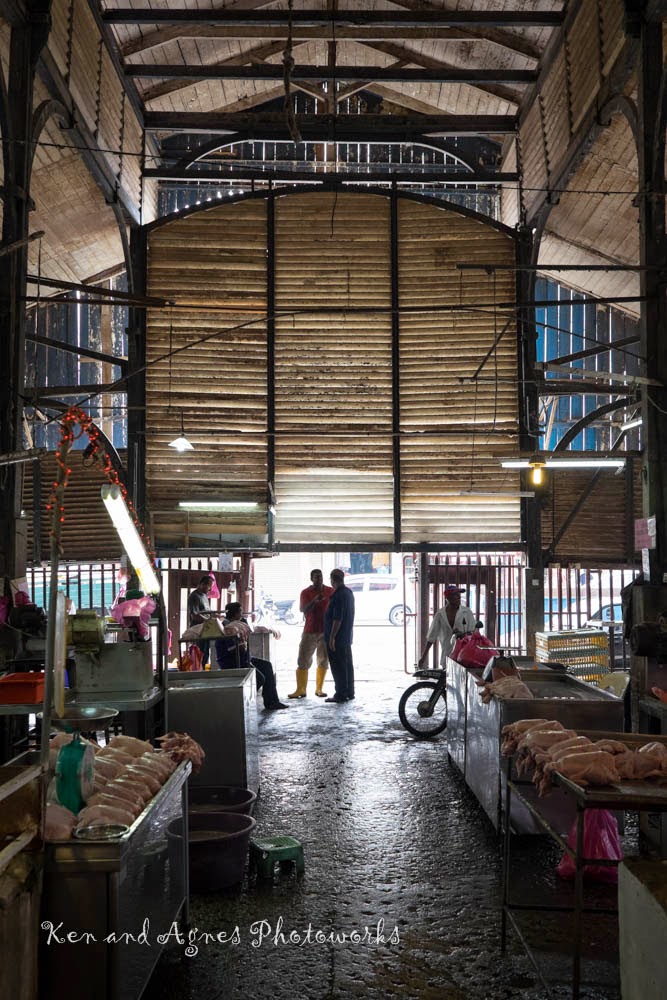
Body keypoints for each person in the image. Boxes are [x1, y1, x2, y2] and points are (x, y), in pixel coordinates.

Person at [214, 602, 288, 711]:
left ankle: (272, 702)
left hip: (244, 657)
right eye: (240, 612)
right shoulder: (228, 627)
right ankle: (243, 702)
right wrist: (243, 645)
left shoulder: (236, 624)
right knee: (260, 678)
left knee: (267, 665)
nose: (242, 614)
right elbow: (233, 649)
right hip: (232, 661)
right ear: (235, 614)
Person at [288, 569, 334, 699]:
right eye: (316, 577)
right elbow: (303, 609)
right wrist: (314, 600)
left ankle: (319, 689)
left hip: (325, 630)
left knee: (323, 659)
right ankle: (301, 689)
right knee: (303, 659)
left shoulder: (330, 591)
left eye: (320, 577)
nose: (319, 579)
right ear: (311, 579)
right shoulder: (306, 592)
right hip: (310, 630)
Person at [417, 585, 476, 669]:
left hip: (464, 656)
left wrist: (463, 635)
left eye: (459, 595)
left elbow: (473, 634)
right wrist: (423, 658)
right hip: (447, 655)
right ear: (448, 598)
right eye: (456, 594)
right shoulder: (440, 614)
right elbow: (431, 637)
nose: (459, 597)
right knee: (447, 680)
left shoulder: (467, 612)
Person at [323, 568, 355, 704]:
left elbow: (337, 618)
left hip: (338, 638)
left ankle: (341, 694)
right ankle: (349, 692)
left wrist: (332, 637)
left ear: (332, 580)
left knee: (338, 666)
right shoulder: (348, 593)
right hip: (346, 636)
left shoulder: (338, 595)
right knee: (347, 665)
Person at [187, 575, 214, 667]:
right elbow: (195, 615)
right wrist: (209, 621)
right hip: (198, 630)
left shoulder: (204, 596)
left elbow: (206, 612)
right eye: (209, 586)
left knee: (206, 653)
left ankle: (203, 671)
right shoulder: (194, 596)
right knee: (199, 654)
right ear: (202, 584)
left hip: (206, 629)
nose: (210, 589)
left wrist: (215, 617)